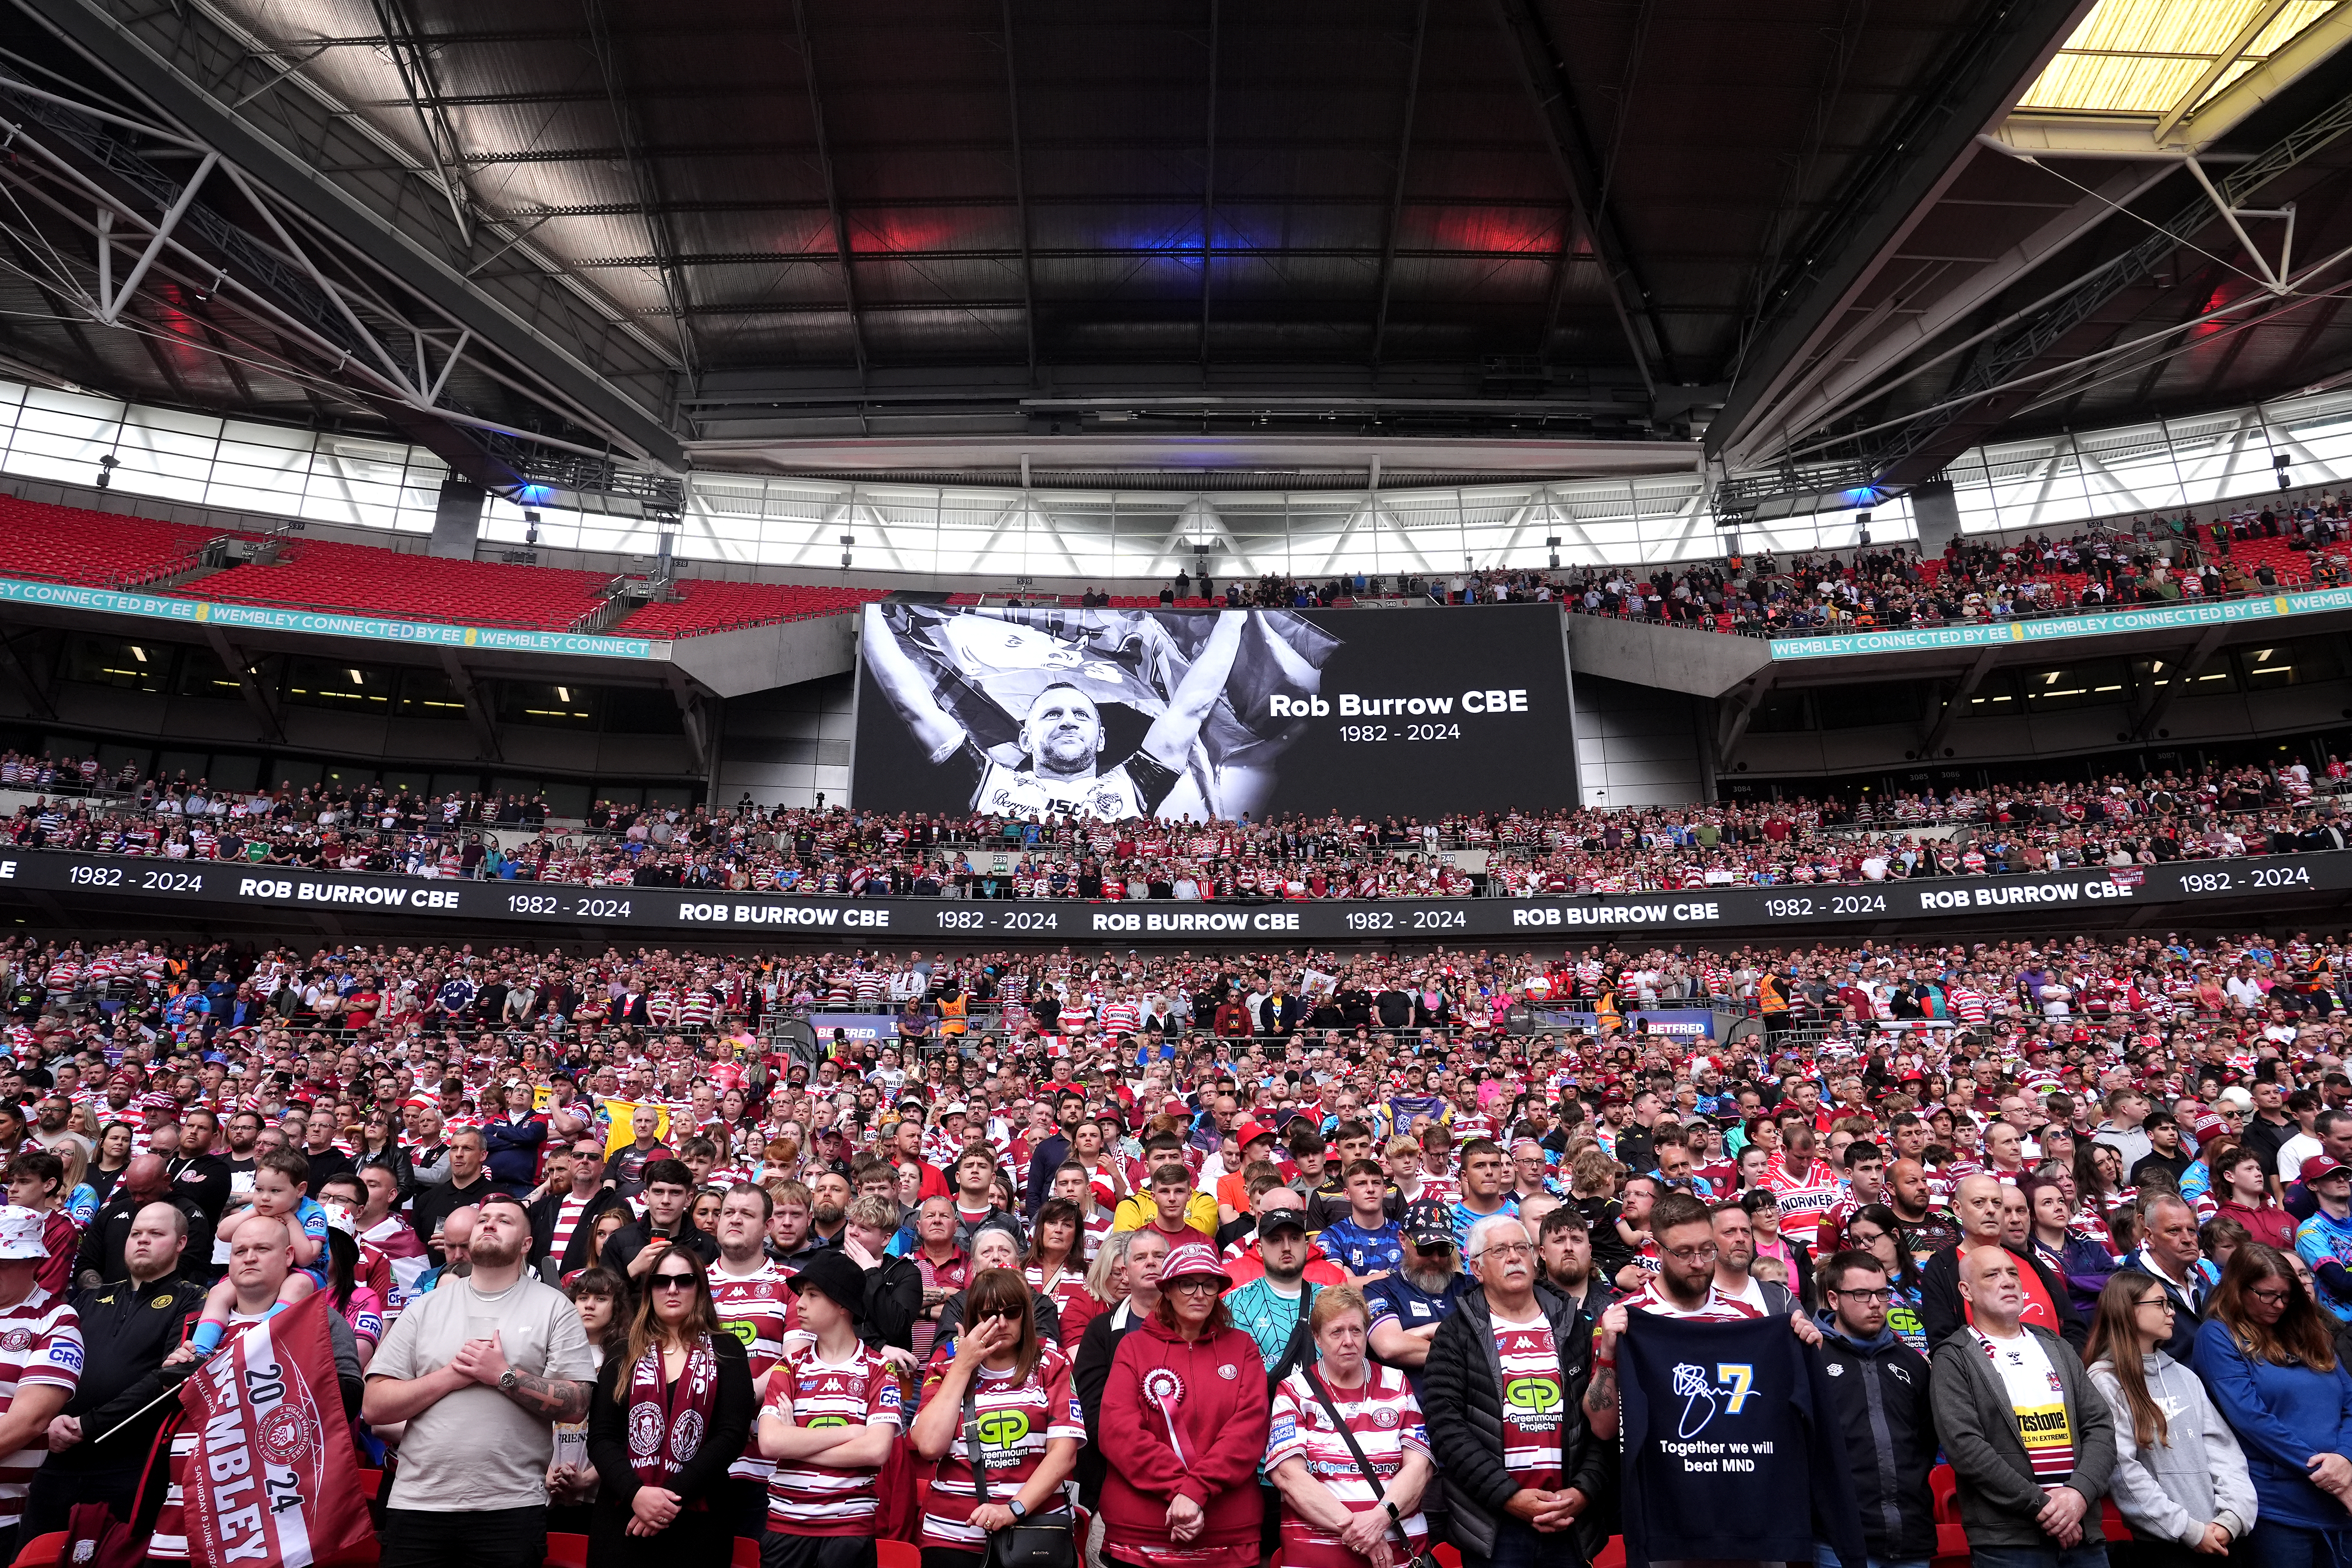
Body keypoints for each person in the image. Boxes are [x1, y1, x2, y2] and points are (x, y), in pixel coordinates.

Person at [362, 1191, 598, 1568]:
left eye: (505, 1220)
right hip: (417, 1504)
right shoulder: (425, 1307)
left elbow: (577, 1405)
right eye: (484, 1218)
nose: (489, 1223)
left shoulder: (556, 1308)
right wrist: (452, 1376)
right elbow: (374, 1406)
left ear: (526, 1244)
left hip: (510, 1508)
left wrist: (504, 1376)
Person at [862, 605, 1245, 820]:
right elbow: (913, 706)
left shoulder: (1133, 787)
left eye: (1081, 715)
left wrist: (1233, 620)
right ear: (1025, 738)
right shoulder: (991, 784)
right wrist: (872, 616)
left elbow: (1192, 705)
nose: (1067, 721)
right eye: (1052, 715)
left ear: (1102, 737)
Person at [1425, 1214, 1608, 1568]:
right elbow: (1447, 1429)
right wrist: (1509, 1497)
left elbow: (1601, 1417)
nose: (1514, 1257)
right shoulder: (1456, 1334)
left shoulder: (1573, 1326)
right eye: (1500, 1250)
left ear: (1535, 1258)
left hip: (1571, 1519)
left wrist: (1584, 1491)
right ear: (1476, 1268)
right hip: (1494, 1526)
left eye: (1521, 1248)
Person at [1929, 1245, 2116, 1568]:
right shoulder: (1954, 1356)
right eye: (1992, 1274)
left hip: (2082, 1532)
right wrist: (2042, 1506)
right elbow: (1966, 1448)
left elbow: (2100, 1425)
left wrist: (2078, 1496)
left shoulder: (2056, 1345)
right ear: (1966, 1290)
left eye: (2012, 1272)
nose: (2008, 1281)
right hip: (2009, 1543)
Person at [28, 1200, 203, 1536]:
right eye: (136, 1233)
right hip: (55, 1455)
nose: (143, 1240)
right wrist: (44, 1421)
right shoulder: (88, 1298)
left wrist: (88, 1425)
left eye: (156, 1234)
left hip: (126, 1466)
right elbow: (45, 1364)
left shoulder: (193, 1300)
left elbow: (169, 1381)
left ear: (181, 1243)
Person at [1097, 1239, 1271, 1568]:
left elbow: (1248, 1430)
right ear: (1169, 1290)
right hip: (1142, 1530)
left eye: (1209, 1285)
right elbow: (1117, 1431)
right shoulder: (1133, 1347)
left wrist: (1195, 1491)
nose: (1200, 1294)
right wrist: (1184, 1490)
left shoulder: (1243, 1347)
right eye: (1188, 1284)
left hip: (1228, 1532)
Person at [584, 1245, 755, 1568]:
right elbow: (602, 1437)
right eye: (661, 1281)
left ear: (700, 1288)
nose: (672, 1289)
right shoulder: (622, 1353)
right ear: (650, 1290)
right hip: (623, 1515)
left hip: (698, 1518)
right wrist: (637, 1494)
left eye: (684, 1280)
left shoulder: (727, 1350)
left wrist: (667, 1500)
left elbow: (730, 1436)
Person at [909, 1266, 1082, 1568]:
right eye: (989, 1314)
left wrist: (1013, 1509)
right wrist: (963, 1366)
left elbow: (1064, 1455)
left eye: (1012, 1312)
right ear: (973, 1318)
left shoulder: (1053, 1364)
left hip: (1034, 1532)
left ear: (1026, 1315)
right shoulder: (944, 1369)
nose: (1001, 1323)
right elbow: (929, 1446)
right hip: (953, 1536)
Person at [2082, 1270, 2255, 1568]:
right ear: (2128, 1310)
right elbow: (2122, 1470)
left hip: (2221, 1535)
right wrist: (2189, 1530)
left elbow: (2224, 1452)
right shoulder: (2105, 1381)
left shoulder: (2185, 1376)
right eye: (2160, 1303)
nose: (2172, 1312)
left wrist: (2232, 1519)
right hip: (2162, 1545)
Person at [2193, 1242, 2352, 1563]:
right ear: (2239, 1287)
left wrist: (2345, 1459)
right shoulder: (2218, 1336)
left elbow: (2349, 1401)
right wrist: (2327, 1470)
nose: (2279, 1305)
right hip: (2278, 1507)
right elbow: (2251, 1419)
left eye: (2286, 1296)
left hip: (2339, 1498)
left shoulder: (2311, 1332)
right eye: (2267, 1295)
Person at [1265, 1285, 1435, 1568]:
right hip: (1318, 1560)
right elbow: (1289, 1477)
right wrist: (1359, 1531)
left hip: (1401, 1558)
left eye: (1356, 1331)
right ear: (1317, 1338)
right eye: (1336, 1332)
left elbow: (1420, 1468)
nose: (1349, 1341)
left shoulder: (1396, 1383)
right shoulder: (1294, 1391)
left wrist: (1381, 1517)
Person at [758, 1250, 904, 1568]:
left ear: (841, 1305)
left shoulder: (879, 1368)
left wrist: (796, 1441)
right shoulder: (789, 1367)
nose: (800, 1304)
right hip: (785, 1525)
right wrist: (850, 1433)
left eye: (813, 1295)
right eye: (801, 1295)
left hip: (849, 1530)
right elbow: (769, 1443)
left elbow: (876, 1451)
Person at [1813, 1248, 1938, 1568]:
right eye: (1861, 1294)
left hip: (1911, 1537)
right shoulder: (1811, 1358)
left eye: (1882, 1293)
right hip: (1838, 1541)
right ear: (1833, 1299)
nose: (1875, 1304)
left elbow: (1925, 1441)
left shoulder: (1911, 1362)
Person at [1923, 1174, 2088, 1353]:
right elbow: (1943, 1342)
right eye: (1979, 1203)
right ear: (1958, 1208)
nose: (1991, 1210)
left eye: (1997, 1203)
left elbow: (2074, 1327)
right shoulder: (1943, 1268)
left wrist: (2066, 1368)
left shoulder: (2030, 1261)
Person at [605, 1160, 719, 1295]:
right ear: (646, 1197)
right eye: (658, 1192)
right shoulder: (618, 1241)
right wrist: (632, 1271)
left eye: (675, 1193)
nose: (666, 1200)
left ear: (688, 1199)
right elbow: (603, 1300)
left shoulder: (708, 1246)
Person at [2117, 1193, 2206, 1365]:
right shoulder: (2130, 1288)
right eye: (2174, 1231)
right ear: (2150, 1237)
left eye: (2192, 1230)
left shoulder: (2202, 1283)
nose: (2188, 1239)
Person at [528, 1138, 630, 1281]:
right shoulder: (544, 1207)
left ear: (603, 1168)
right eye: (579, 1156)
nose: (585, 1161)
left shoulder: (618, 1207)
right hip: (542, 1293)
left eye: (593, 1157)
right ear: (570, 1164)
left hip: (589, 1294)